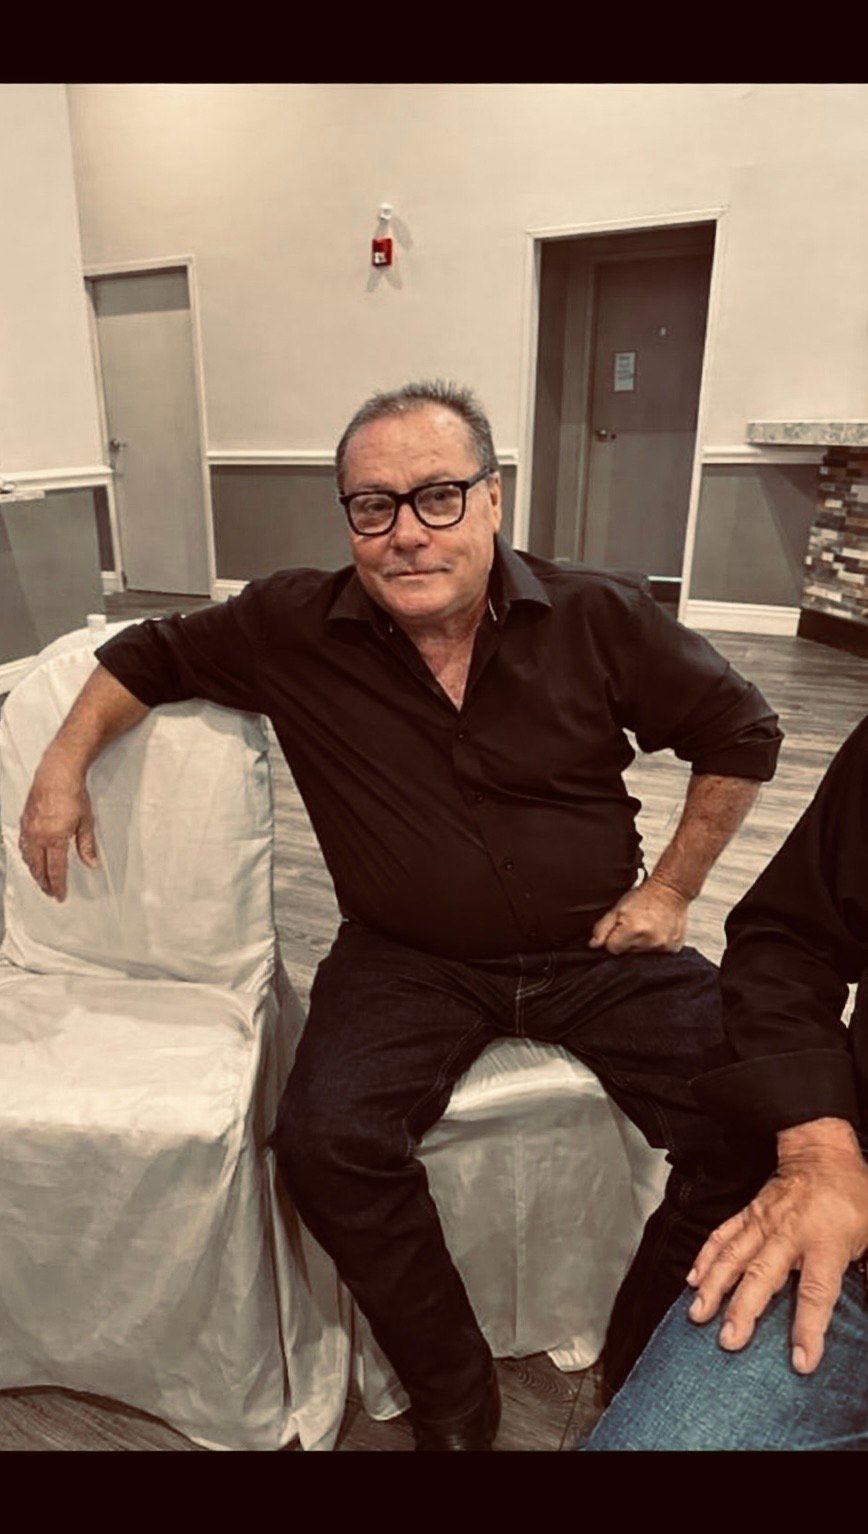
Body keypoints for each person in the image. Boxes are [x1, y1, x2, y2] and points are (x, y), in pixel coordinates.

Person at [17, 380, 783, 1451]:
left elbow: (740, 731)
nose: (407, 533)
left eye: (437, 496)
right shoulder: (292, 624)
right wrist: (62, 766)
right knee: (325, 1144)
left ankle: (640, 1355)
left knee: (755, 1121)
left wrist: (672, 891)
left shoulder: (598, 614)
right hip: (406, 957)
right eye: (373, 506)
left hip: (598, 946)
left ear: (492, 498)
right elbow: (147, 652)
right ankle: (452, 1389)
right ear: (348, 519)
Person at [580, 716, 868, 1450]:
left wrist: (671, 887)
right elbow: (791, 936)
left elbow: (740, 728)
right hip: (849, 1229)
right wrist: (818, 1147)